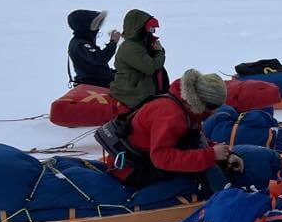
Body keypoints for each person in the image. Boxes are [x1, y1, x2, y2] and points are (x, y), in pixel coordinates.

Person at [104, 69, 242, 190]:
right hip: (130, 169)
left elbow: (195, 138)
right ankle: (224, 196)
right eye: (213, 107)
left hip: (142, 157)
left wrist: (224, 154)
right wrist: (211, 155)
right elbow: (161, 157)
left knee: (198, 154)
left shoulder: (185, 105)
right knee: (202, 166)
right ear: (202, 102)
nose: (214, 112)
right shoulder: (171, 115)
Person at [110, 9, 170, 108]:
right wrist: (159, 52)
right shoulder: (131, 48)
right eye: (150, 29)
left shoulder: (141, 44)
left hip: (143, 91)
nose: (152, 32)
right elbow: (151, 68)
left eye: (153, 29)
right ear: (139, 29)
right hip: (133, 94)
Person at [67, 9, 121, 87]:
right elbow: (100, 59)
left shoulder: (82, 40)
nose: (98, 28)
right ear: (85, 26)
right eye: (96, 24)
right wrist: (113, 42)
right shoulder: (81, 44)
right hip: (95, 83)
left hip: (99, 79)